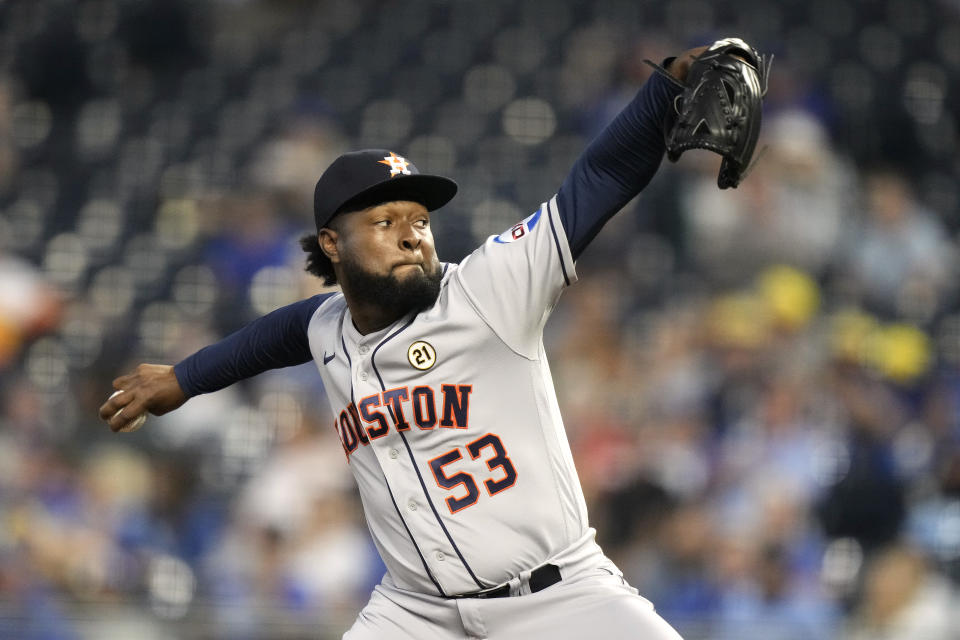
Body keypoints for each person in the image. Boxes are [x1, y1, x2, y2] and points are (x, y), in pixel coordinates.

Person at [100, 43, 712, 640]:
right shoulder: (326, 328)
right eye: (384, 222)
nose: (411, 236)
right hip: (416, 613)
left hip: (557, 597)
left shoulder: (487, 290)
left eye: (419, 221)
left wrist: (664, 91)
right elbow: (279, 334)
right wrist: (184, 379)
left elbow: (596, 179)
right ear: (332, 244)